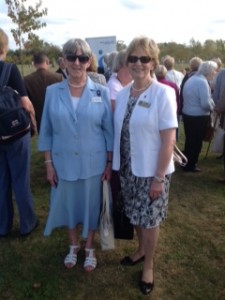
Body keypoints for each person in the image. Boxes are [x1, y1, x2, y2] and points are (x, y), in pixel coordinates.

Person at [38, 38, 114, 272]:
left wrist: (110, 163)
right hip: (63, 163)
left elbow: (108, 131)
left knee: (91, 207)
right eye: (71, 57)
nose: (77, 62)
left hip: (94, 164)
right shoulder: (52, 92)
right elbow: (47, 131)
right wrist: (49, 163)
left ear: (89, 62)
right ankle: (74, 244)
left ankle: (89, 246)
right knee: (69, 206)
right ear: (63, 61)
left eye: (82, 58)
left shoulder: (100, 91)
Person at [112, 36, 178, 295]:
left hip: (152, 171)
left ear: (153, 62)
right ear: (127, 62)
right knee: (135, 214)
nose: (138, 63)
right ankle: (139, 250)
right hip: (129, 169)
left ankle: (148, 265)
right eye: (133, 58)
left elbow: (169, 140)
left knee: (150, 220)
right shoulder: (125, 92)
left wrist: (159, 178)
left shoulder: (163, 92)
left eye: (144, 58)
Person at [0, 28, 39, 237]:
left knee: (1, 180)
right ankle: (27, 223)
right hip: (15, 133)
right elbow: (26, 103)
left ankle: (3, 226)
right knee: (20, 179)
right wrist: (32, 121)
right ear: (4, 47)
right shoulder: (10, 70)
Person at [182, 61, 217, 172]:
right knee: (196, 142)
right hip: (198, 116)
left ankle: (186, 161)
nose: (215, 73)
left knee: (190, 140)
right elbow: (205, 104)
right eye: (214, 70)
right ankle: (191, 164)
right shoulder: (202, 82)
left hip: (188, 114)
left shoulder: (192, 78)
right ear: (209, 71)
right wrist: (213, 107)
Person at [24, 52, 63, 133]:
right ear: (47, 62)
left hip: (39, 119)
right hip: (57, 117)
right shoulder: (58, 77)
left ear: (34, 64)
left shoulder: (26, 80)